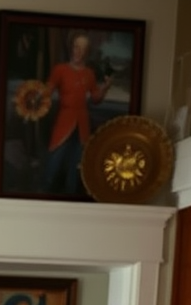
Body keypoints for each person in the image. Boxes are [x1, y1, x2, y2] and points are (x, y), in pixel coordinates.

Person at [42, 31, 112, 197]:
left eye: (82, 48)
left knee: (76, 162)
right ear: (71, 48)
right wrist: (36, 96)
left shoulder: (89, 74)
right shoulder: (60, 69)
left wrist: (106, 87)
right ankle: (45, 191)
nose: (78, 51)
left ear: (86, 51)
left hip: (82, 123)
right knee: (56, 157)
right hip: (65, 120)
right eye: (75, 47)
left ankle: (70, 195)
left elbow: (95, 98)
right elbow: (48, 90)